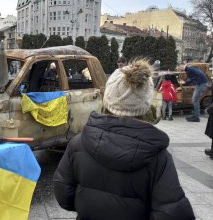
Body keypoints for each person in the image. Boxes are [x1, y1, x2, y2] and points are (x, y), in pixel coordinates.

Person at [53, 59, 194, 220]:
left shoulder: (78, 143)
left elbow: (63, 193)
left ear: (107, 97)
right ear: (146, 104)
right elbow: (173, 213)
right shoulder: (158, 157)